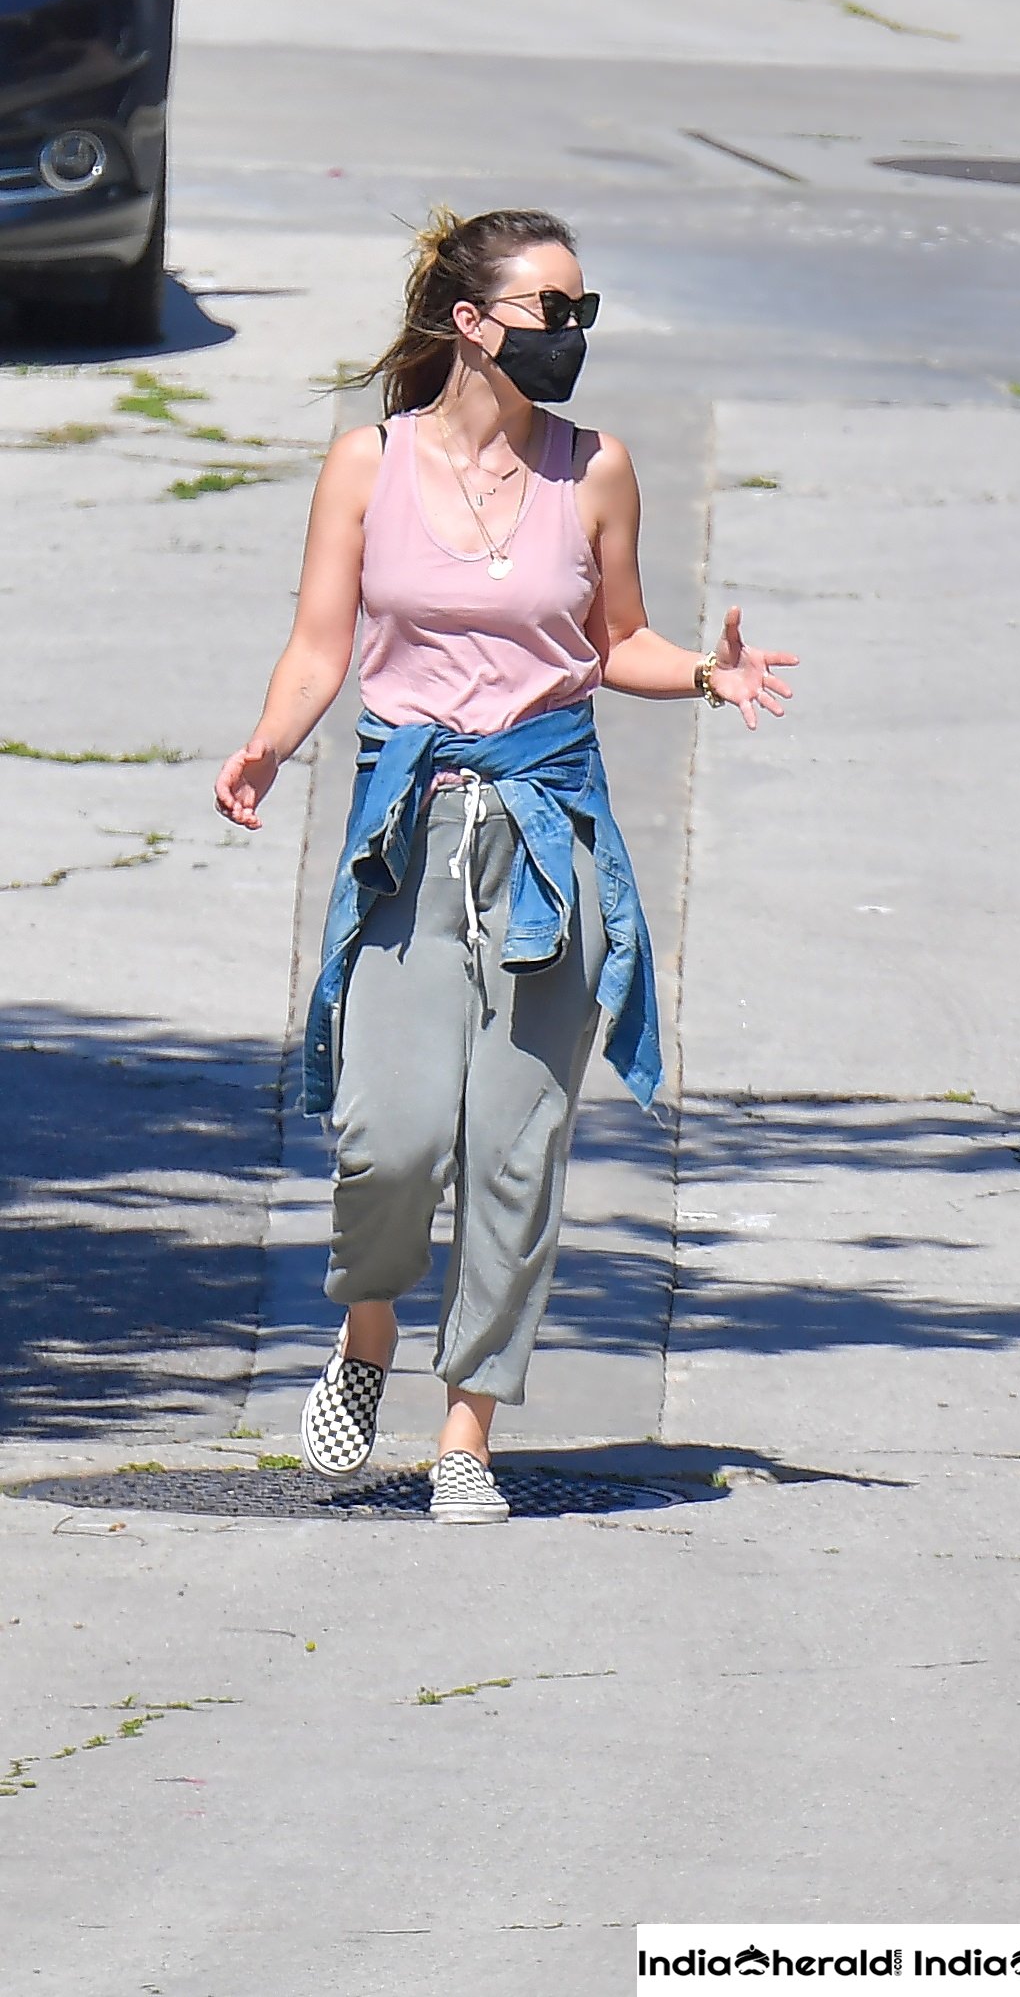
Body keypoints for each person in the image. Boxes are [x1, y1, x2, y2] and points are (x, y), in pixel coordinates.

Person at [215, 208, 796, 1523]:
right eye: (552, 310)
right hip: (411, 836)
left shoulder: (593, 469)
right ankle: (369, 1335)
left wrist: (706, 670)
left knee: (517, 1153)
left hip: (550, 838)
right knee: (389, 1135)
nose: (574, 333)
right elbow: (321, 646)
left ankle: (467, 1434)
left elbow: (617, 642)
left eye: (583, 311)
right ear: (472, 323)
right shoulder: (367, 463)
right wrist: (266, 744)